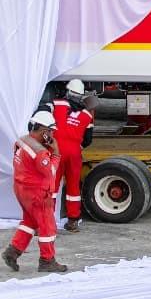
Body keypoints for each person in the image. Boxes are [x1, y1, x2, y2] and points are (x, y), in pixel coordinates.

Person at [2, 112, 67, 273]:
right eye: (50, 131)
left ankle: (12, 252)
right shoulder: (40, 152)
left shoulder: (22, 140)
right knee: (47, 227)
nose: (52, 135)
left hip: (21, 189)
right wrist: (56, 153)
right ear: (43, 131)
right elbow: (50, 172)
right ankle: (47, 261)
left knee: (29, 222)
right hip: (37, 193)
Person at [46, 79, 96, 233]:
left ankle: (46, 223)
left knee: (51, 187)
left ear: (68, 92)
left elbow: (42, 120)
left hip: (56, 151)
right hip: (74, 154)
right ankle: (73, 221)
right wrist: (75, 147)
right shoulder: (87, 115)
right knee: (73, 187)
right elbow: (88, 140)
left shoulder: (56, 104)